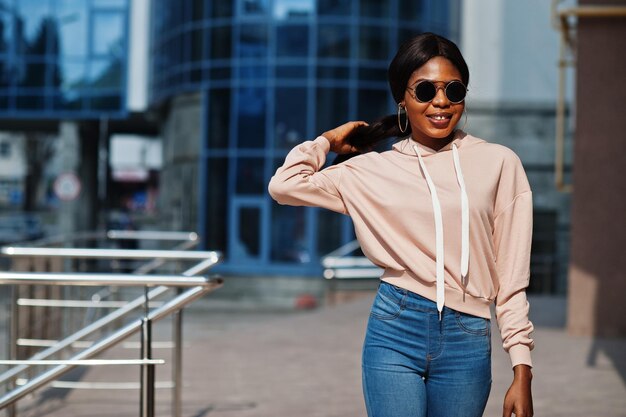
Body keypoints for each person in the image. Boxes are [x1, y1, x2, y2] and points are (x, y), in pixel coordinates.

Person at [268, 32, 534, 417]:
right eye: (424, 90)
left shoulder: (499, 163)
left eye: (453, 90)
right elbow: (284, 185)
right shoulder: (371, 170)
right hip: (395, 326)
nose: (440, 102)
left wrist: (522, 369)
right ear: (403, 99)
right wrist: (326, 141)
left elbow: (511, 278)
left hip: (469, 335)